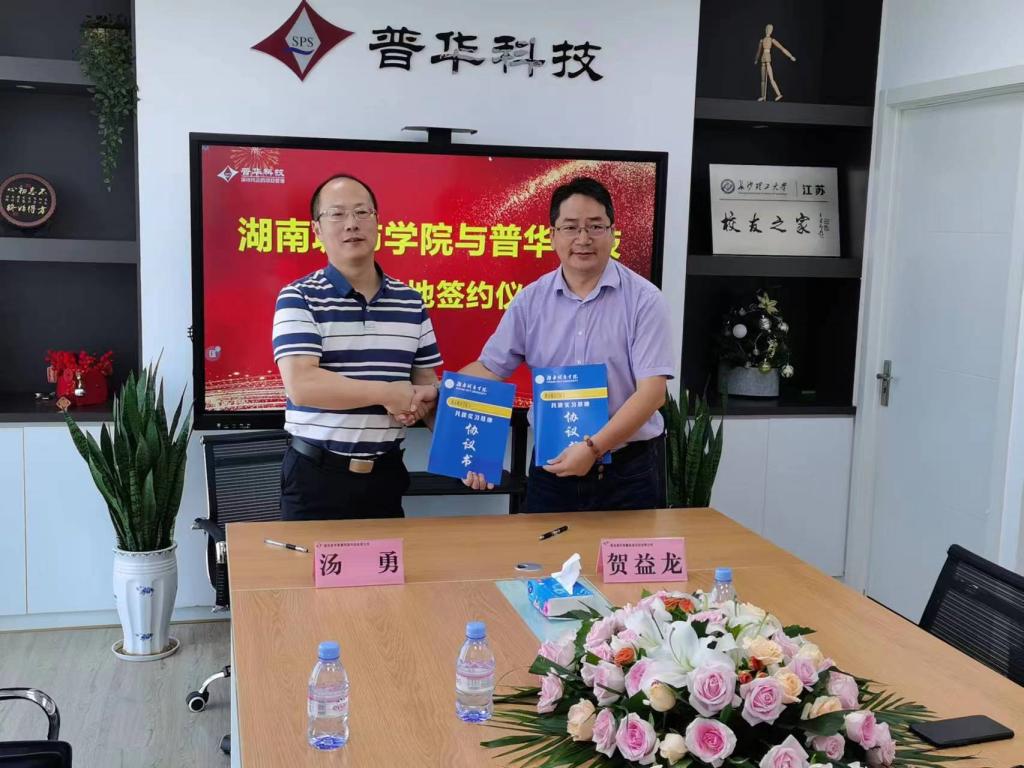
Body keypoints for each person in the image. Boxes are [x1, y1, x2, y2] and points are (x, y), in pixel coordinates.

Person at [461, 176, 675, 512]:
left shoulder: (645, 300)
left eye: (595, 227)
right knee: (544, 547)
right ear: (552, 235)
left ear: (612, 232)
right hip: (552, 467)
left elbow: (652, 394)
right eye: (571, 227)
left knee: (626, 550)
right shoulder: (530, 301)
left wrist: (593, 448)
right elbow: (490, 369)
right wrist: (442, 393)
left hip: (628, 471)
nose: (583, 239)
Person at [272, 174, 441, 520]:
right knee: (311, 561)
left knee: (389, 559)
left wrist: (467, 454)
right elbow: (303, 385)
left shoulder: (411, 302)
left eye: (362, 212)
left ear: (378, 222)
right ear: (317, 230)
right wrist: (388, 393)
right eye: (337, 214)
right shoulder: (299, 297)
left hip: (385, 477)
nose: (352, 224)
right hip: (316, 478)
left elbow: (426, 386)